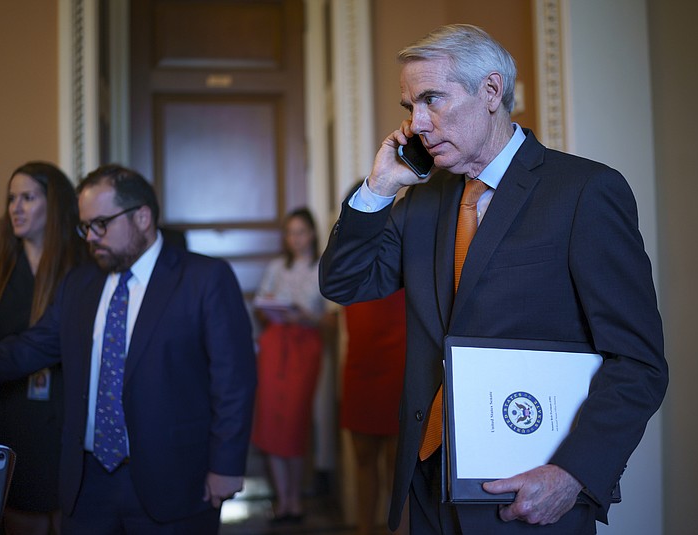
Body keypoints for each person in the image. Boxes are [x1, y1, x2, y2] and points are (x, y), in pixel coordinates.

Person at [319, 24, 668, 534]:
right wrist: (377, 188)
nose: (417, 124)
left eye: (432, 99)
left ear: (490, 91)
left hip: (531, 491)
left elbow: (638, 362)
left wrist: (573, 475)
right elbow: (344, 283)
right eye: (409, 107)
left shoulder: (585, 191)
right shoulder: (420, 202)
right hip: (429, 482)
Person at [0, 164, 256, 534]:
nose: (91, 237)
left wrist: (226, 465)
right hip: (87, 485)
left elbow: (233, 382)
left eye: (101, 224)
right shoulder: (79, 284)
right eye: (85, 227)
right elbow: (28, 349)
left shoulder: (203, 279)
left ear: (142, 217)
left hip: (176, 483)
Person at [0, 162, 87, 535]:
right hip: (9, 416)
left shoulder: (86, 267)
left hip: (69, 416)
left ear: (54, 204)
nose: (16, 208)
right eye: (12, 198)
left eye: (28, 197)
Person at [251, 207, 332, 524]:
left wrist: (306, 316)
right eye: (289, 233)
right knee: (270, 417)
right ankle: (282, 500)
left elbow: (331, 317)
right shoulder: (275, 267)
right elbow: (260, 306)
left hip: (304, 346)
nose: (294, 239)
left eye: (299, 232)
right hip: (274, 345)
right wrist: (272, 310)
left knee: (295, 419)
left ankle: (296, 498)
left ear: (311, 233)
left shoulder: (323, 267)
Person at [340, 289, 408, 535]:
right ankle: (364, 529)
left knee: (397, 462)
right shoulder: (350, 256)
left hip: (400, 358)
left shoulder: (411, 253)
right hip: (362, 360)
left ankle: (400, 531)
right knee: (363, 456)